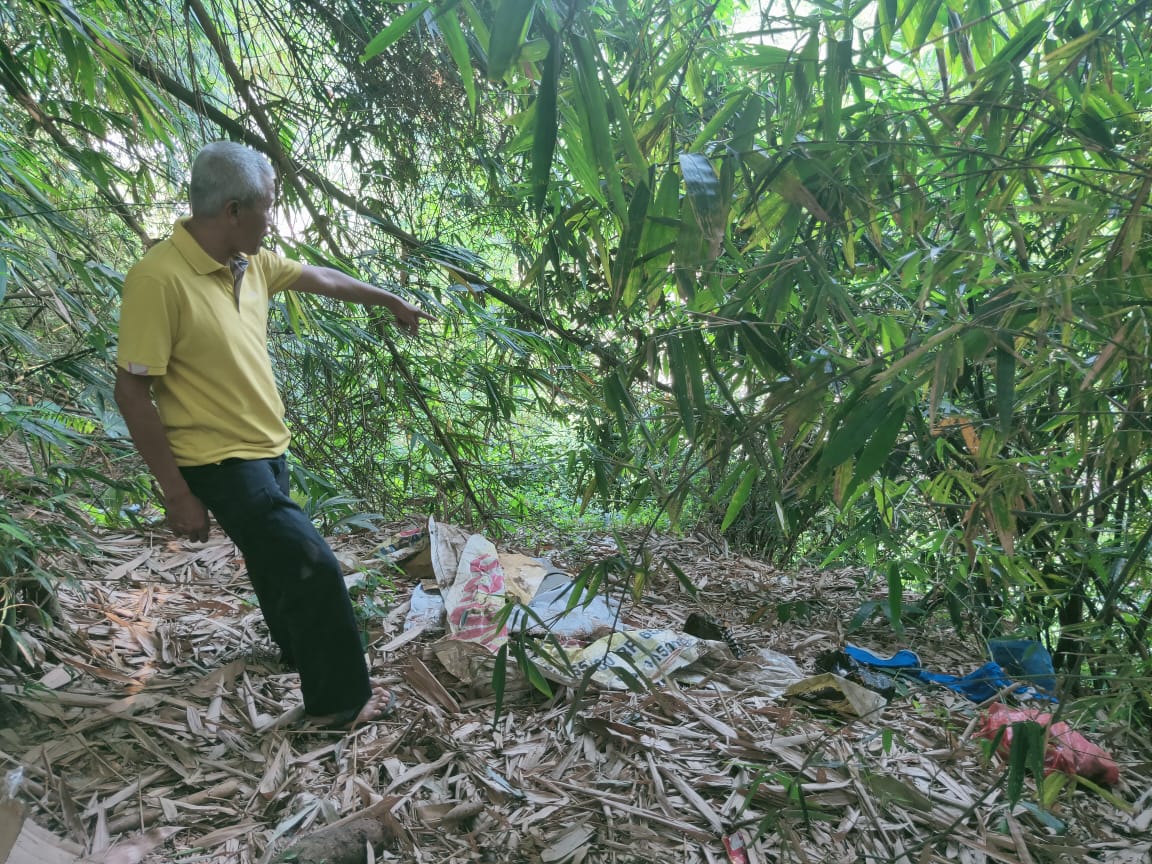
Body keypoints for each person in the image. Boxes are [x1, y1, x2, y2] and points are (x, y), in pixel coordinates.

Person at [114, 140, 435, 729]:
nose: (274, 217)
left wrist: (391, 300)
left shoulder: (251, 263)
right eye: (270, 205)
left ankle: (297, 651)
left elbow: (323, 278)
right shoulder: (157, 280)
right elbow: (131, 393)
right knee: (313, 563)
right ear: (233, 210)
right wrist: (176, 494)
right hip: (216, 462)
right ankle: (341, 702)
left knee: (274, 564)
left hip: (267, 449)